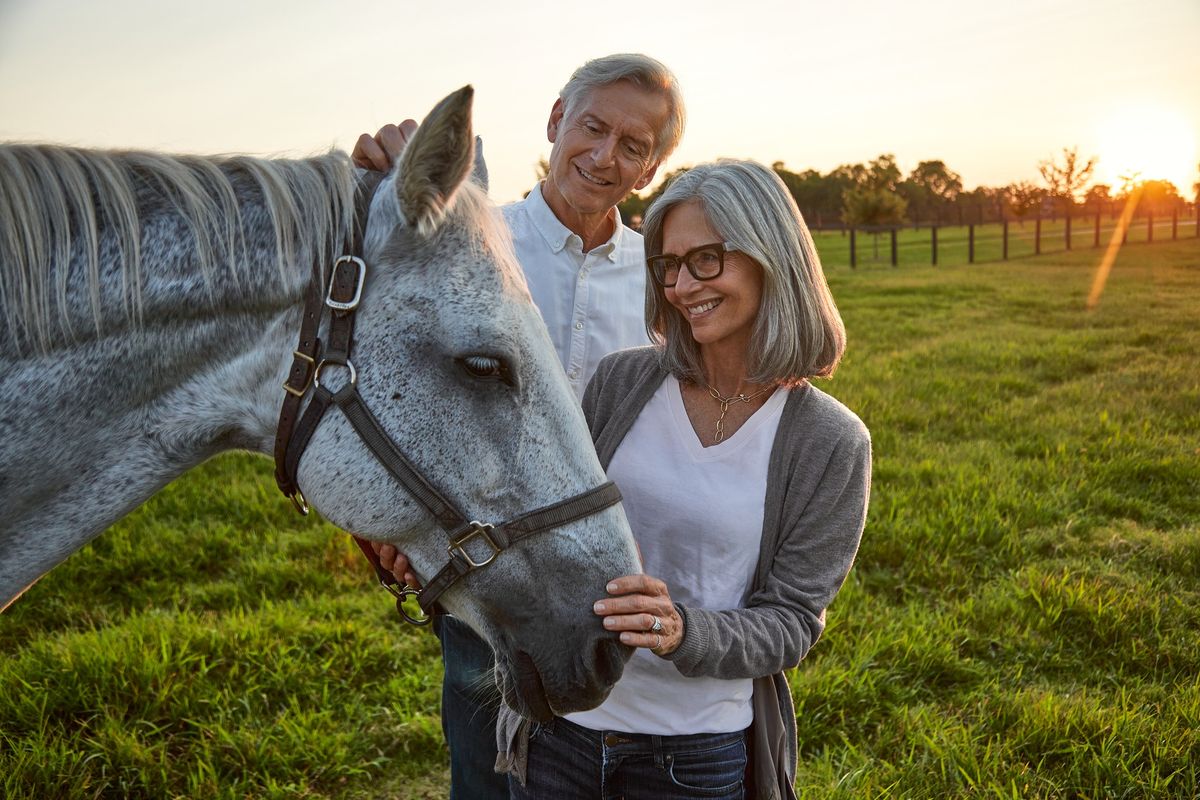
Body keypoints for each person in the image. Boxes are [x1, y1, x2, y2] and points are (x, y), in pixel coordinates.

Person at [351, 53, 686, 800]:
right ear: (556, 119)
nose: (604, 156)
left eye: (634, 146)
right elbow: (381, 388)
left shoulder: (666, 277)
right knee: (485, 773)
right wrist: (375, 188)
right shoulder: (462, 244)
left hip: (613, 579)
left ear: (656, 164)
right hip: (491, 568)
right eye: (593, 127)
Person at [495, 159, 872, 800]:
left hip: (694, 755)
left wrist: (681, 630)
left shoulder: (830, 441)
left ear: (770, 256)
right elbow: (544, 523)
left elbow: (792, 621)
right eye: (668, 265)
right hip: (562, 729)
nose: (679, 286)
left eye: (706, 259)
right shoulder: (620, 383)